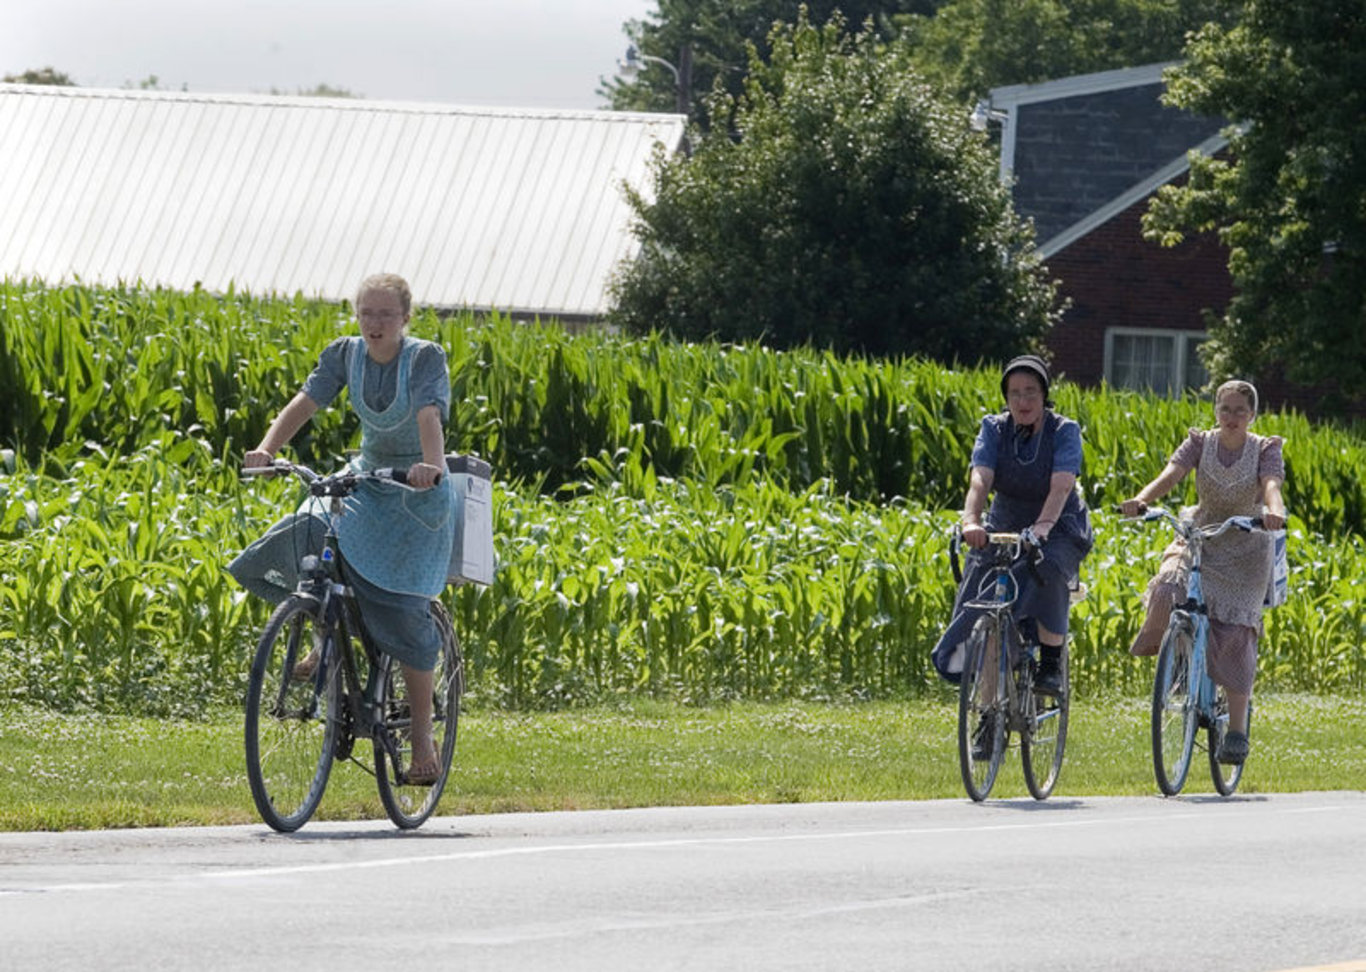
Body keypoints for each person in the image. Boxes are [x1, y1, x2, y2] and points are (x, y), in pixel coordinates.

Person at [229, 272, 455, 784]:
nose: (374, 324)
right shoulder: (345, 354)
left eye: (385, 315)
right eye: (366, 313)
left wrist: (430, 466)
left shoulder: (423, 359)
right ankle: (322, 634)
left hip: (415, 493)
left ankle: (422, 738)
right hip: (369, 477)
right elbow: (306, 402)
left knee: (401, 610)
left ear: (405, 319)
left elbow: (428, 417)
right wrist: (268, 450)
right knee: (308, 530)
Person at [1120, 379, 1286, 765]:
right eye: (1224, 409)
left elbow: (1272, 485)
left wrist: (1273, 511)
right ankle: (1178, 657)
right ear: (1215, 410)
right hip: (1202, 535)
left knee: (1234, 634)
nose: (1231, 417)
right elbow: (1171, 474)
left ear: (1252, 416)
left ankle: (1237, 732)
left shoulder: (1264, 449)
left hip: (1246, 545)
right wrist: (1142, 500)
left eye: (1239, 410)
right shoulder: (1200, 443)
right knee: (1166, 589)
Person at [932, 355, 1093, 706]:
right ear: (1006, 398)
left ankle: (1050, 663)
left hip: (1058, 523)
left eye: (1031, 392)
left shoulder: (1064, 430)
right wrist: (971, 521)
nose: (1023, 401)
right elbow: (980, 478)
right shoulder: (994, 428)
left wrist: (1043, 527)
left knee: (1047, 568)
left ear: (1044, 395)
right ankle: (990, 712)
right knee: (984, 594)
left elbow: (1062, 485)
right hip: (1005, 522)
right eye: (1015, 393)